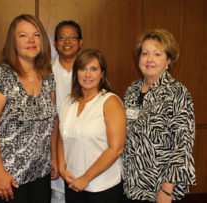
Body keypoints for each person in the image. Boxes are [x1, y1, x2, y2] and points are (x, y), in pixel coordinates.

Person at [0, 14, 58, 203]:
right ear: (12, 42)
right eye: (23, 35)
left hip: (40, 175)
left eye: (36, 35)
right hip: (8, 179)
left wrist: (53, 157)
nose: (31, 40)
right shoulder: (0, 75)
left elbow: (52, 121)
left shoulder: (47, 76)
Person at [122, 29, 196, 203]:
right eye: (145, 53)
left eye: (157, 54)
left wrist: (167, 190)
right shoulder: (132, 90)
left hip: (159, 190)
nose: (149, 59)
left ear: (168, 60)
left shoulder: (177, 93)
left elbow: (183, 146)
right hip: (131, 185)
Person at [57, 49, 126, 203]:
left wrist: (86, 178)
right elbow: (62, 137)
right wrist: (62, 169)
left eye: (93, 69)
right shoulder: (69, 101)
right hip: (73, 183)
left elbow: (116, 149)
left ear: (102, 74)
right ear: (76, 73)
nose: (87, 75)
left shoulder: (110, 101)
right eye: (82, 69)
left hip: (102, 186)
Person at [51, 20, 83, 203]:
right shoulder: (45, 71)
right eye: (62, 37)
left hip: (83, 144)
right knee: (57, 196)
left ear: (80, 42)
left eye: (72, 37)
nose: (67, 41)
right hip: (55, 144)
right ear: (55, 43)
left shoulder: (90, 71)